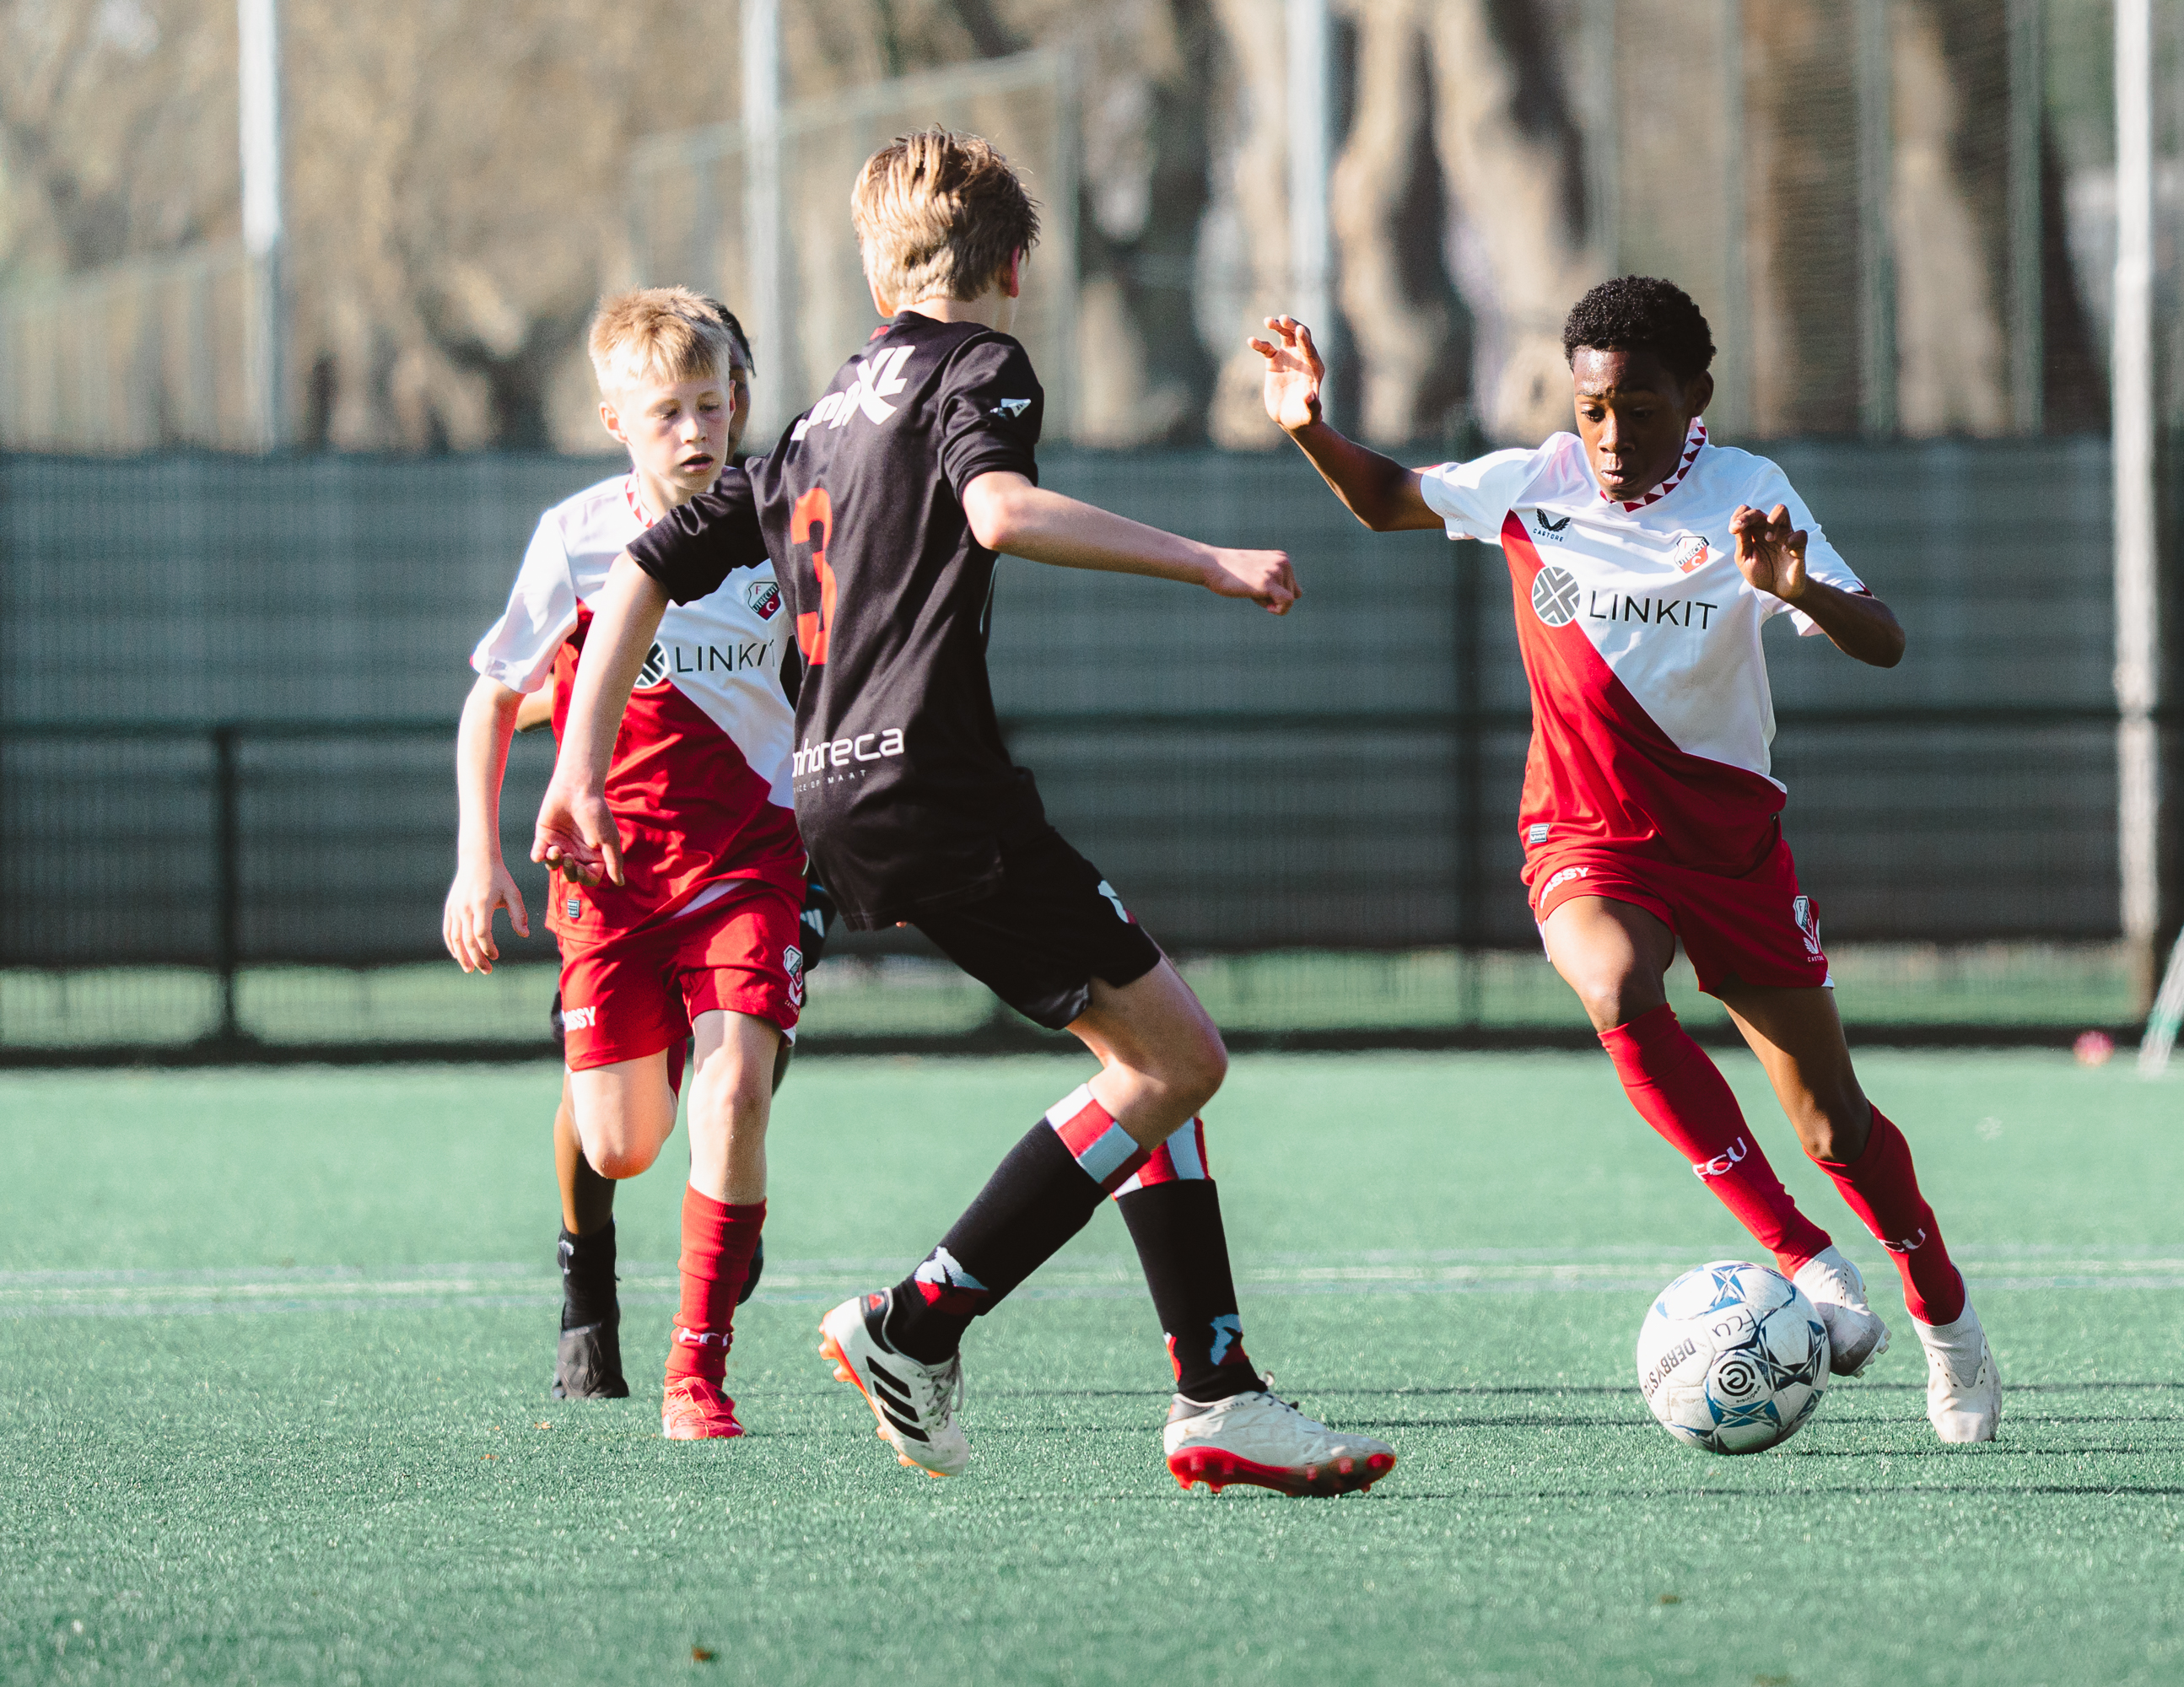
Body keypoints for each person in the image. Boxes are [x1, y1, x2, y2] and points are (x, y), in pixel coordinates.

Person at [532, 128, 1396, 1494]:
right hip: (933, 784)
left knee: (1151, 1047)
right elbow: (997, 510)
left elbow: (638, 572)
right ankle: (918, 1323)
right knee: (1181, 1061)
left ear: (880, 272)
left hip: (833, 796)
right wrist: (1212, 562)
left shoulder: (818, 414)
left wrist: (574, 768)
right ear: (1009, 267)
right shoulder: (978, 365)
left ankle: (1214, 1386)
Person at [1249, 277, 2001, 1442]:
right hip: (1585, 833)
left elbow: (1885, 639)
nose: (1610, 436)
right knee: (1611, 985)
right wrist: (1308, 426)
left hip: (1731, 843)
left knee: (1833, 1125)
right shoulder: (1533, 482)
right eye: (1593, 408)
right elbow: (1388, 500)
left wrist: (1797, 590)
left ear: (1694, 397)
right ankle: (1804, 1256)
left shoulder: (1752, 494)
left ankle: (1946, 1325)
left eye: (1638, 410)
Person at [445, 287, 807, 1441]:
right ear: (614, 421)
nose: (698, 430)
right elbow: (493, 698)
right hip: (609, 876)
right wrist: (474, 859)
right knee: (622, 1140)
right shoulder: (578, 538)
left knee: (735, 1086)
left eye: (715, 404)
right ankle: (587, 1269)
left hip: (749, 855)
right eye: (668, 413)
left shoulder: (784, 524)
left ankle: (696, 1371)